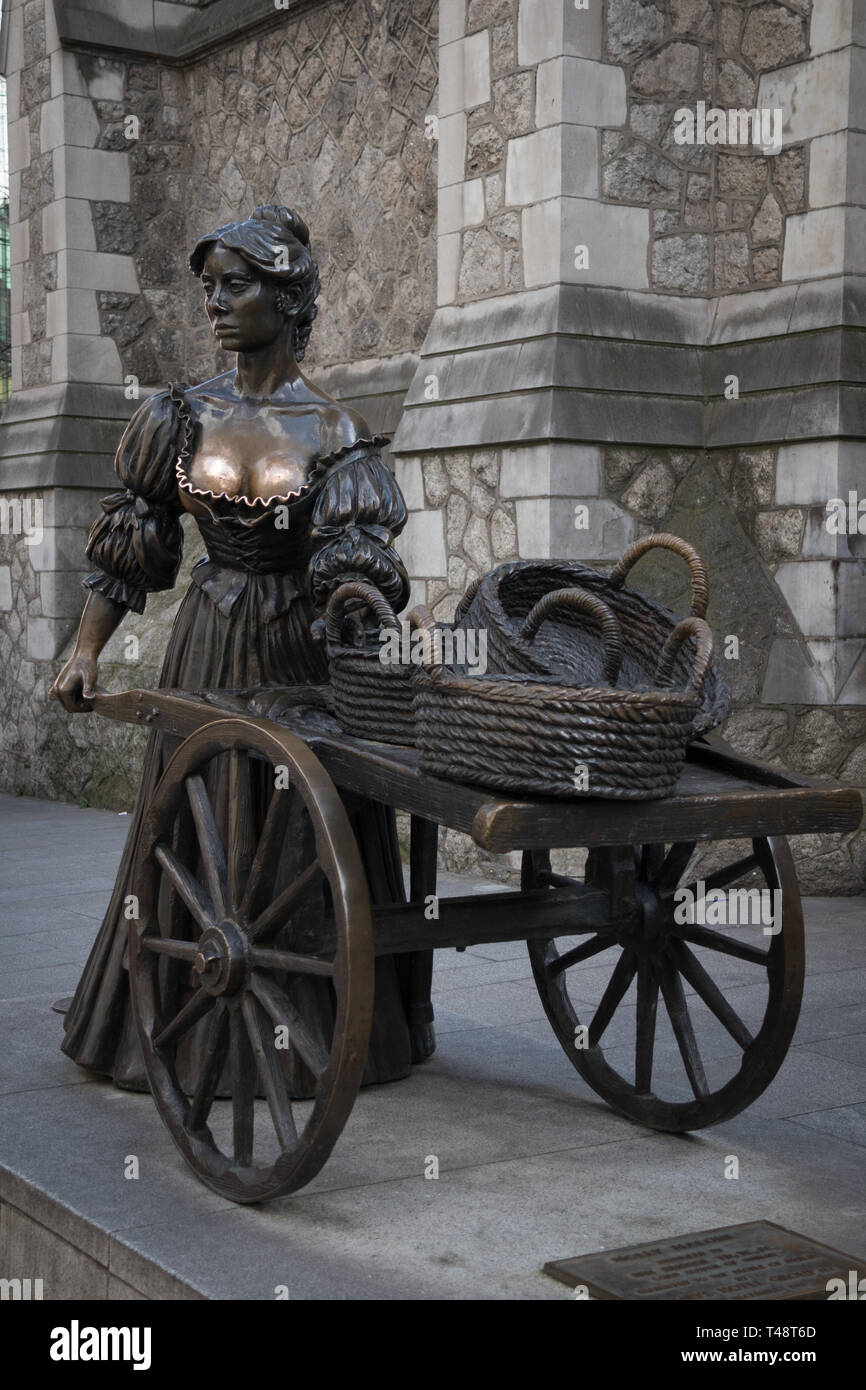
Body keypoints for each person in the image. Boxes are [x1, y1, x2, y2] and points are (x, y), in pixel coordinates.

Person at [50, 203, 434, 1095]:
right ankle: (181, 1027)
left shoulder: (336, 432)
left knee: (305, 830)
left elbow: (356, 569)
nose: (217, 304)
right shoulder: (178, 416)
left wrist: (362, 611)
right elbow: (135, 544)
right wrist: (85, 652)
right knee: (194, 824)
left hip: (303, 657)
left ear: (290, 296)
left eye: (238, 285)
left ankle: (318, 1035)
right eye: (210, 287)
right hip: (210, 643)